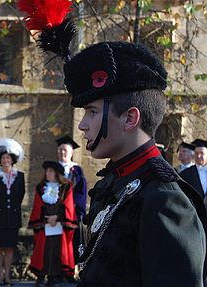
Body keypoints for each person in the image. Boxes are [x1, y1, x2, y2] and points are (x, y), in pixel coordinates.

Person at [61, 42, 207, 285]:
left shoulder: (164, 200)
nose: (82, 124)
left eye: (92, 112)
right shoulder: (115, 182)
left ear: (130, 118)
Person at [28, 161, 77, 286]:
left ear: (56, 173)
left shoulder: (66, 187)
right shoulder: (40, 187)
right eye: (47, 171)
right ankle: (40, 276)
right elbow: (38, 205)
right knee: (43, 249)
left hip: (59, 224)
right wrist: (46, 219)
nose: (48, 173)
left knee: (56, 249)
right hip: (45, 224)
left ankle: (53, 276)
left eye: (50, 171)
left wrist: (57, 217)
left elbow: (68, 205)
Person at [0, 139, 26, 286]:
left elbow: (20, 195)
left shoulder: (20, 176)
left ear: (12, 160)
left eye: (8, 158)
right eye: (3, 158)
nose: (5, 160)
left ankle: (7, 276)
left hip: (12, 217)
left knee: (9, 247)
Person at [54, 135, 87, 270]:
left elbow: (81, 191)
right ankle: (55, 270)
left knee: (73, 241)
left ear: (71, 153)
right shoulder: (53, 169)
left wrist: (77, 208)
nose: (62, 153)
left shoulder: (76, 170)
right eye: (60, 150)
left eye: (65, 151)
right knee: (56, 241)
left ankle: (71, 270)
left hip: (72, 211)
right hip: (56, 212)